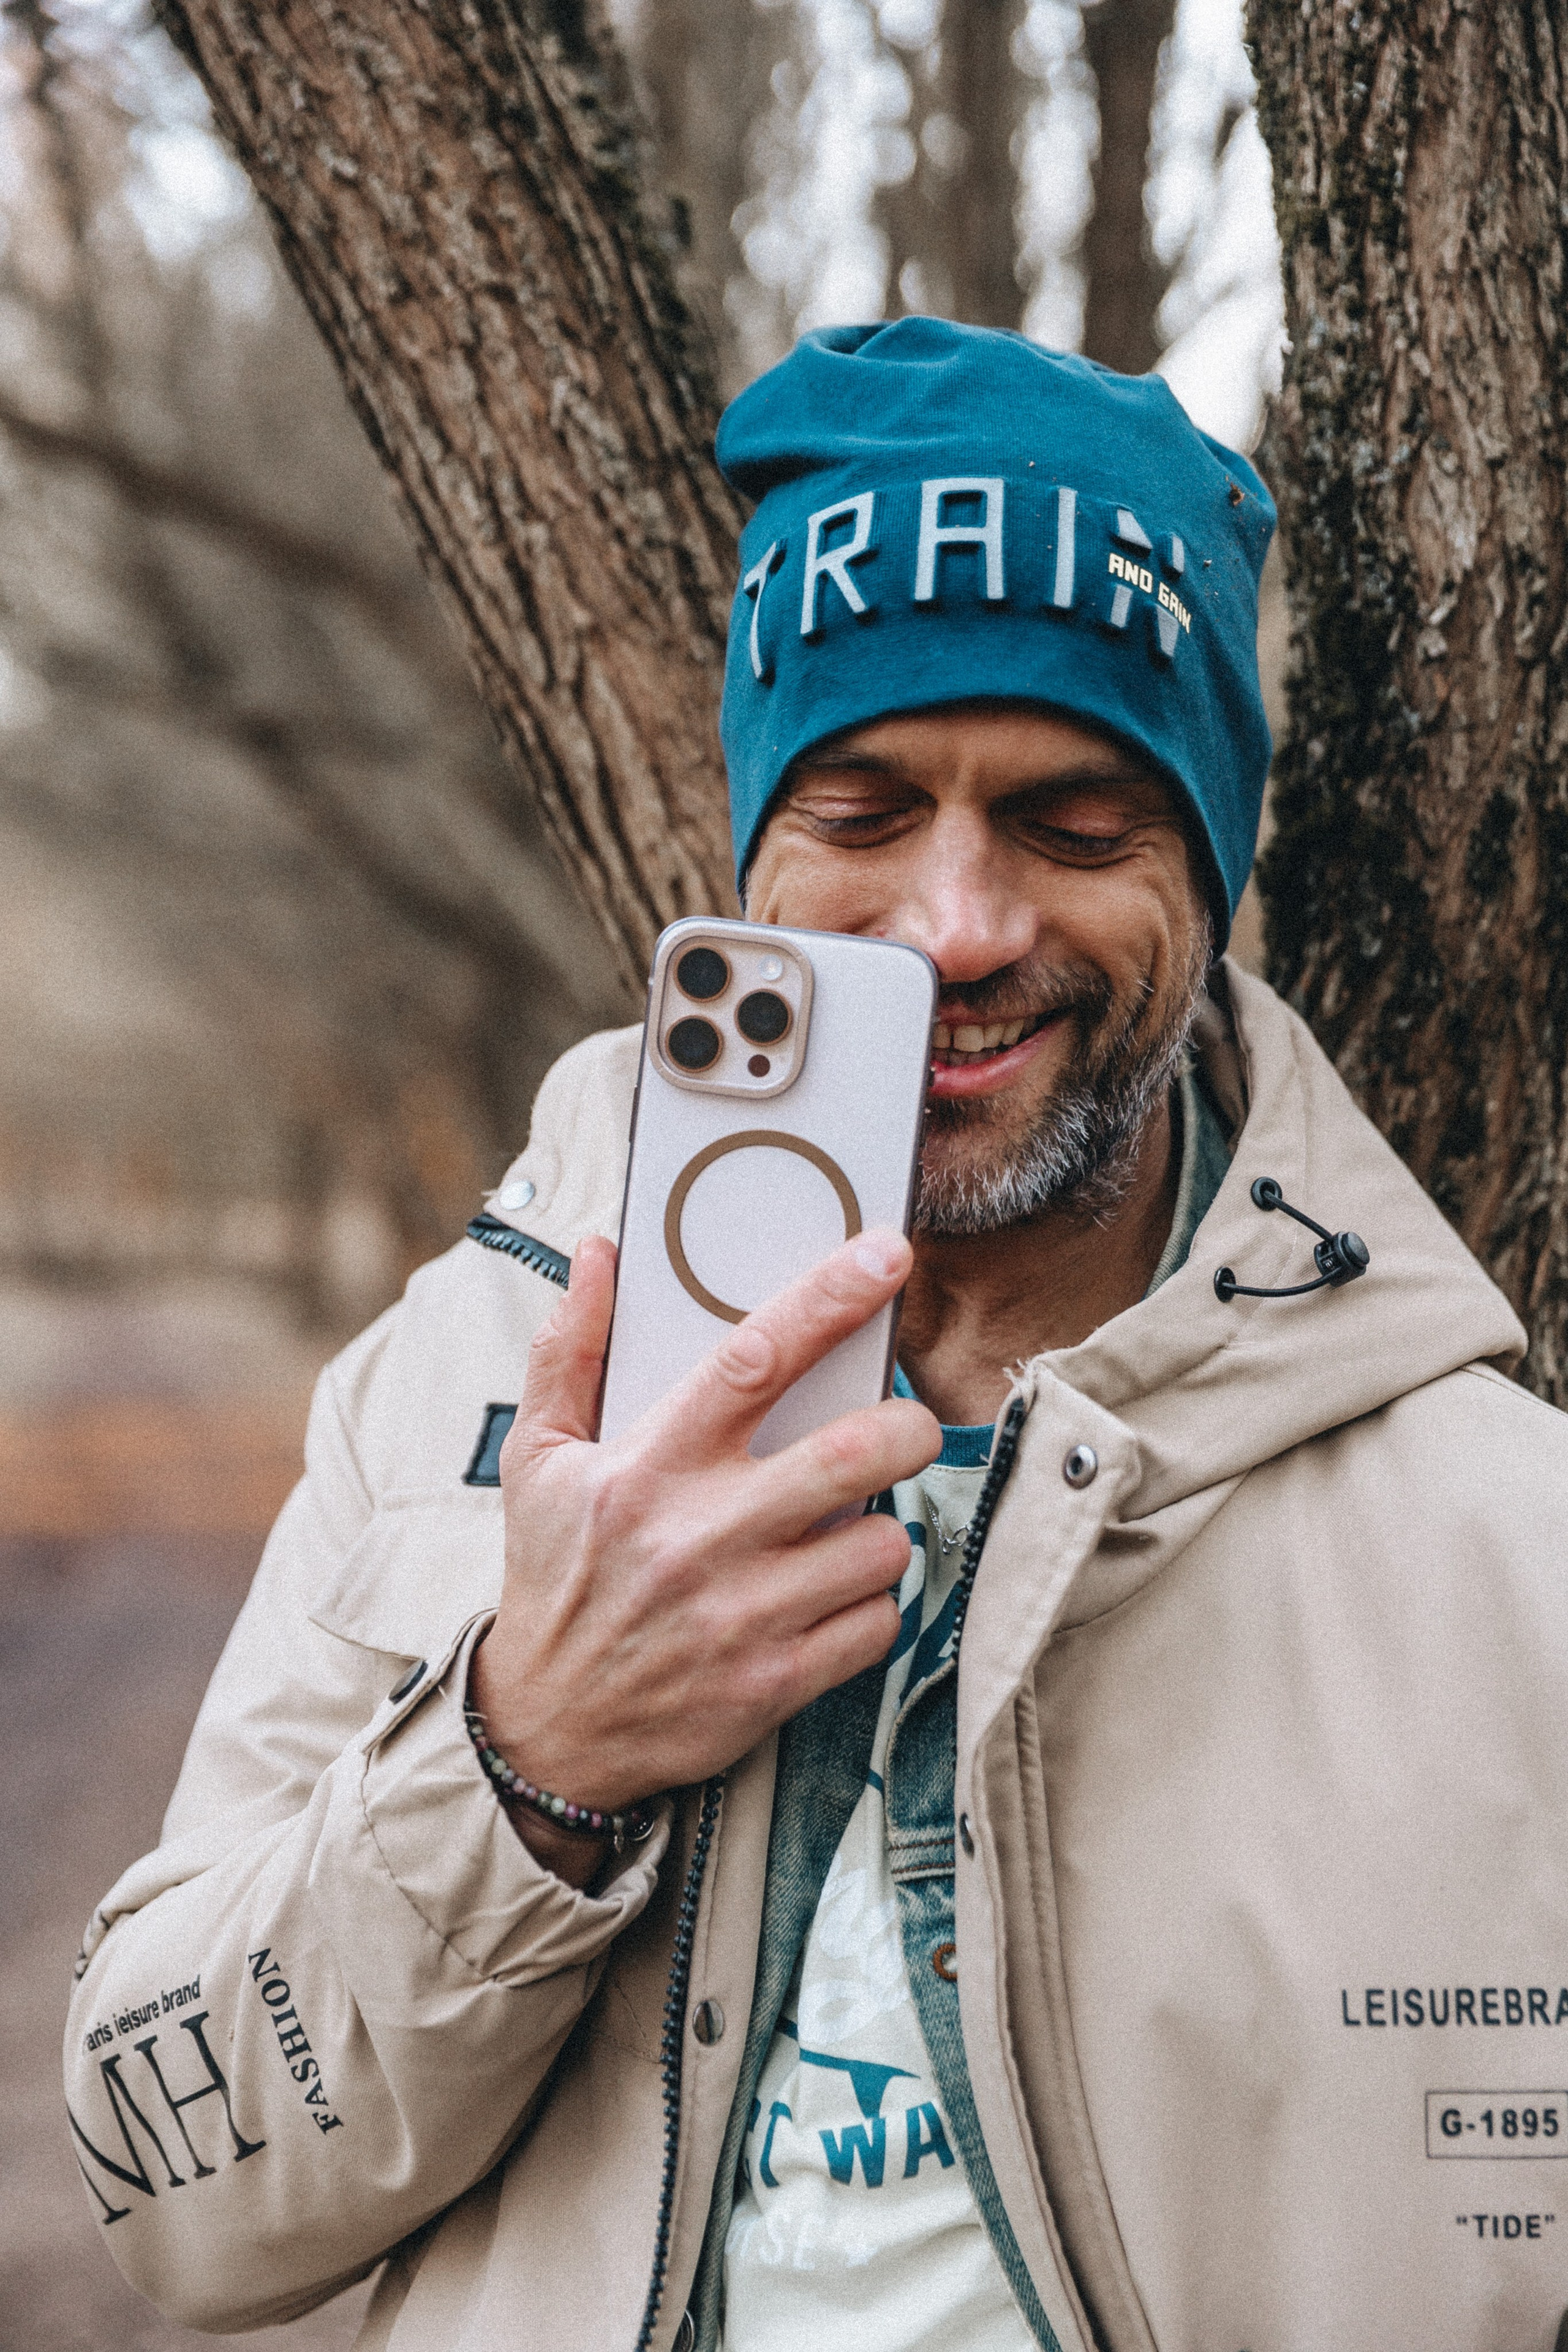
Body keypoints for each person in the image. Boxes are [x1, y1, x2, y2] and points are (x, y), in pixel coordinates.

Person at [63, 321, 1568, 2352]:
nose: (957, 924)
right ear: (753, 851)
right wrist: (528, 1765)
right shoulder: (459, 1384)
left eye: (1072, 818)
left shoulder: (1506, 1554)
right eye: (863, 805)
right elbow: (173, 2189)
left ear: (1206, 875)